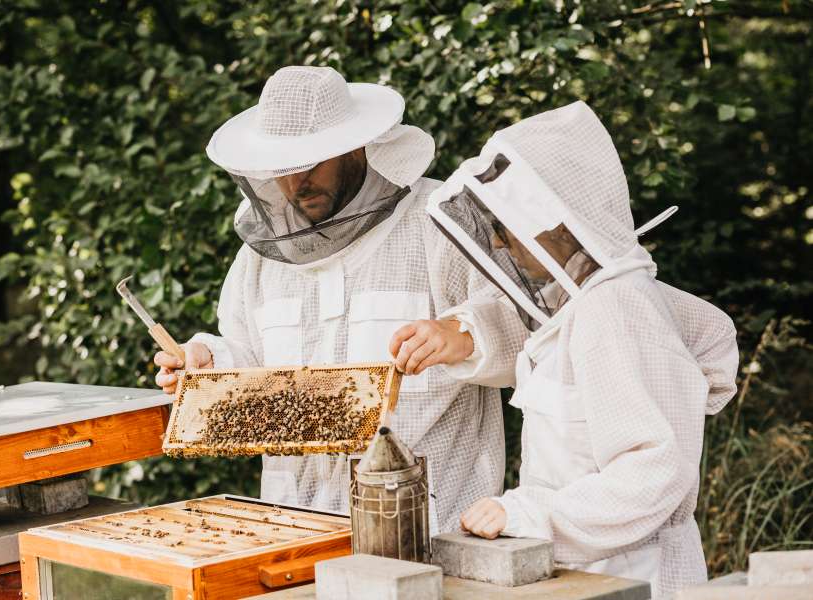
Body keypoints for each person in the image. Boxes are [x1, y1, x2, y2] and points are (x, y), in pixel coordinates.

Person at [153, 66, 526, 533]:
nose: (295, 184)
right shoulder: (261, 258)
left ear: (355, 147)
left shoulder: (438, 223)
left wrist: (462, 335)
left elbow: (531, 338)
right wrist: (207, 363)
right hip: (296, 530)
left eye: (310, 163)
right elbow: (250, 357)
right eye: (281, 171)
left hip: (435, 529)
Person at [391, 101, 739, 597]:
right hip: (588, 572)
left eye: (508, 227)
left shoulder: (616, 307)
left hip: (636, 574)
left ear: (551, 222)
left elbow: (656, 471)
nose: (503, 246)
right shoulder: (582, 305)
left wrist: (532, 515)